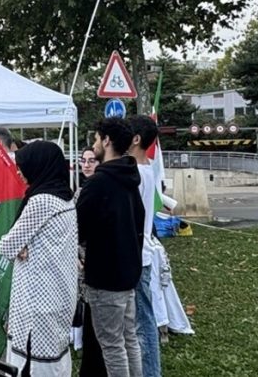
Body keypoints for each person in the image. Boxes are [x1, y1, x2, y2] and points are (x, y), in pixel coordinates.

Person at [0, 141, 78, 376]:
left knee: (33, 362)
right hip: (59, 291)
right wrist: (22, 244)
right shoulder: (66, 198)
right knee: (53, 356)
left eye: (23, 166)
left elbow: (7, 245)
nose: (19, 172)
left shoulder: (41, 201)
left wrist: (20, 244)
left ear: (39, 166)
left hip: (37, 298)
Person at [76, 118, 144, 377]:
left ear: (106, 140)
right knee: (129, 341)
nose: (93, 145)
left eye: (95, 139)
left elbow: (78, 228)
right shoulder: (130, 179)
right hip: (128, 275)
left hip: (105, 278)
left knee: (112, 346)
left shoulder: (99, 183)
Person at [126, 115, 163, 377]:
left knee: (143, 323)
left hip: (137, 256)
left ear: (136, 139)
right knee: (141, 320)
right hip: (142, 254)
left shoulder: (137, 174)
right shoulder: (147, 168)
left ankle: (150, 372)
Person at [76, 146, 107, 377]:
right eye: (83, 160)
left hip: (95, 263)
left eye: (91, 160)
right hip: (83, 264)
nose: (86, 164)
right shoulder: (77, 192)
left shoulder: (99, 190)